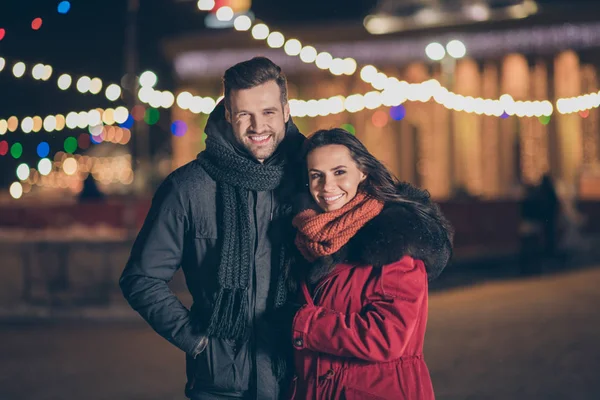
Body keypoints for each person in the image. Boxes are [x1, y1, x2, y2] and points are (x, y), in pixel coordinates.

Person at [119, 57, 305, 400]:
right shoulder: (189, 187)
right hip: (220, 386)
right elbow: (141, 278)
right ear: (228, 115)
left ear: (286, 111)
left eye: (267, 112)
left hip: (299, 378)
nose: (257, 126)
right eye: (244, 114)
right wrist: (196, 340)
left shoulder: (311, 178)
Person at [288, 129, 453, 399]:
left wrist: (302, 324)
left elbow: (388, 337)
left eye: (339, 172)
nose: (327, 186)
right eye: (317, 175)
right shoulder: (308, 240)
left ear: (362, 172)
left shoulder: (394, 238)